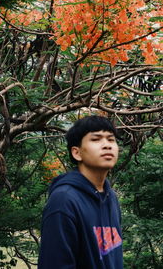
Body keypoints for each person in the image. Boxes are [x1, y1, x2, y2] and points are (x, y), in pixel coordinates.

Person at [38, 115, 123, 269]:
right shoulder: (64, 200)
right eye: (96, 139)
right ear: (77, 153)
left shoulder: (111, 198)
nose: (107, 145)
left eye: (111, 139)